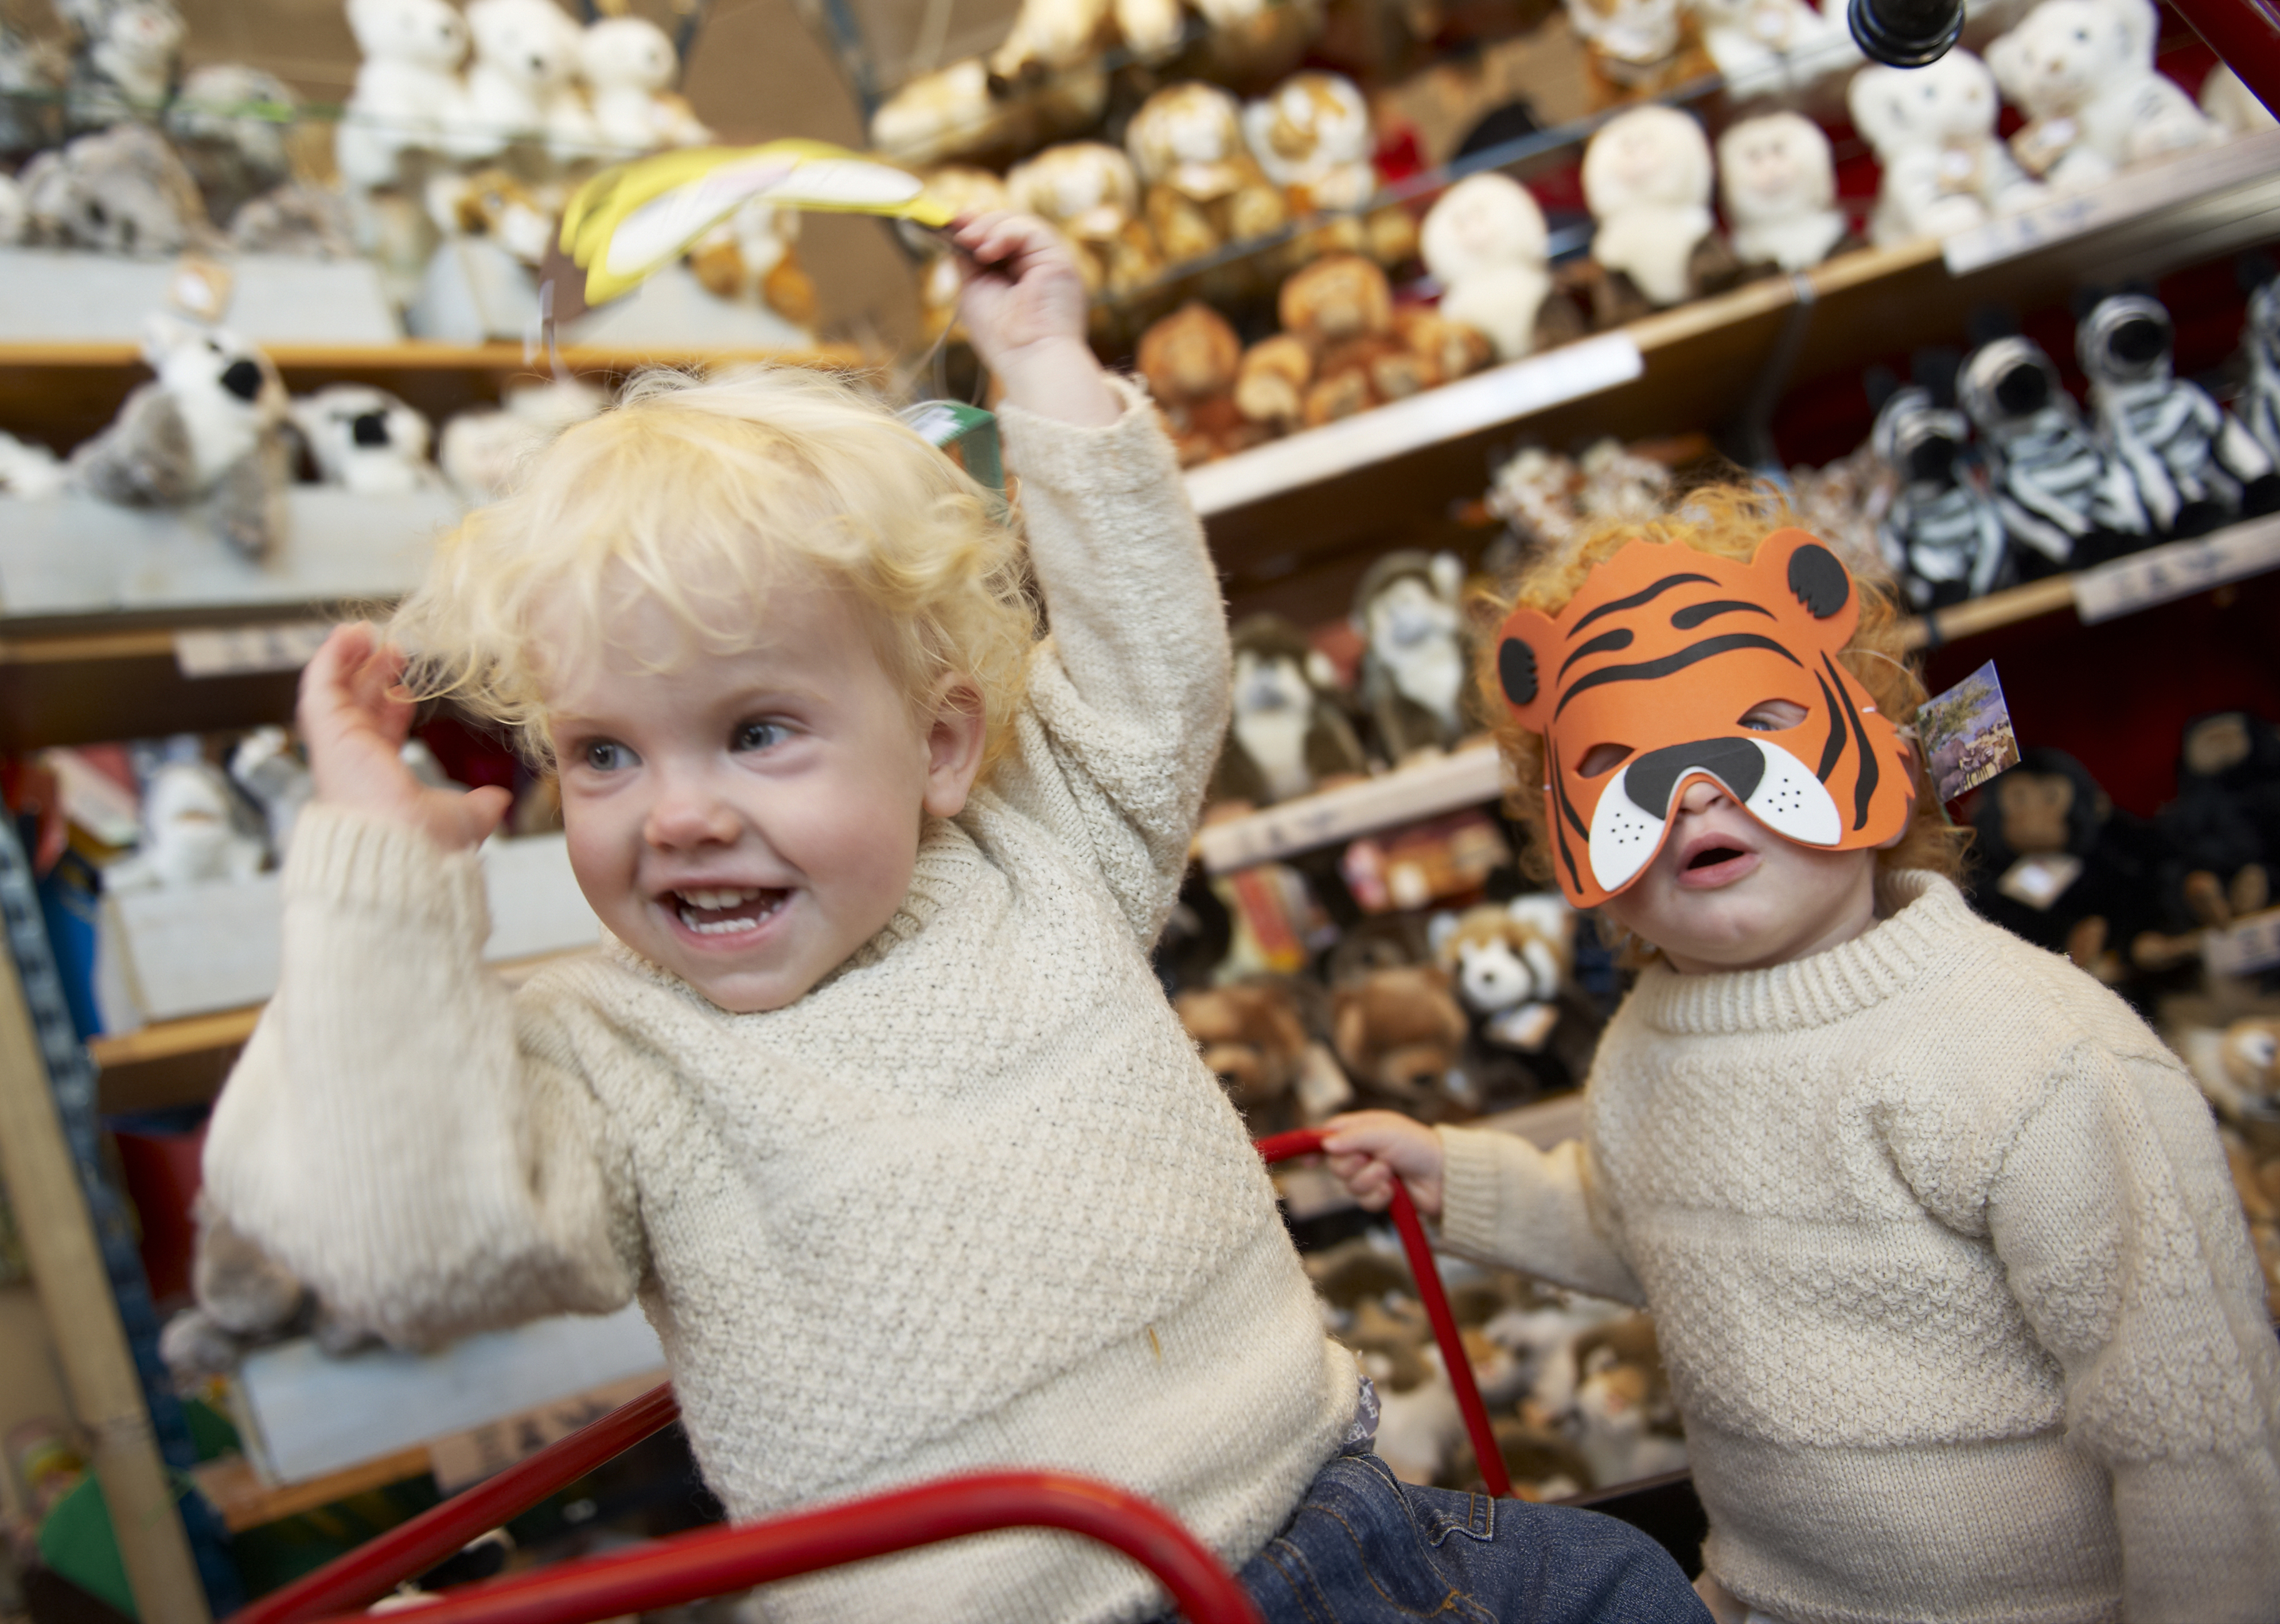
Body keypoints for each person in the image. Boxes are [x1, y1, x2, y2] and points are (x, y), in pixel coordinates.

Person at [201, 210, 1706, 1624]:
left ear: (938, 745)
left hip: (1347, 1520)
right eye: (604, 754)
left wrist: (1047, 370)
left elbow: (1151, 675)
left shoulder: (1032, 848)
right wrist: (378, 877)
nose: (676, 814)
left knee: (1628, 1582)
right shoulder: (605, 1058)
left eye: (757, 731)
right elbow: (406, 1236)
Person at [1326, 499, 2280, 1624]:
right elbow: (1662, 1229)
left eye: (1759, 718)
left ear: (1879, 744)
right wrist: (1466, 1183)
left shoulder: (2038, 1055)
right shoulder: (1650, 1040)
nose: (1692, 790)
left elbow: (2195, 1426)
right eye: (1616, 759)